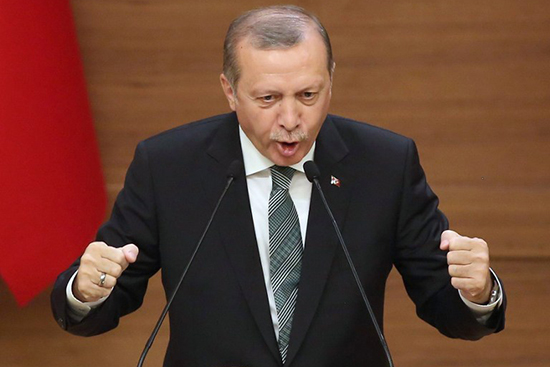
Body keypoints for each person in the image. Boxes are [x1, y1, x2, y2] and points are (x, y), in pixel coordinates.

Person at [51, 5, 505, 367]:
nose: (291, 121)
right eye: (268, 98)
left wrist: (477, 292)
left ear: (331, 81)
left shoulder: (385, 164)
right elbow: (103, 300)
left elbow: (449, 309)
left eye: (309, 95)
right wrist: (86, 291)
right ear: (230, 91)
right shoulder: (168, 167)